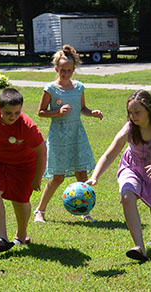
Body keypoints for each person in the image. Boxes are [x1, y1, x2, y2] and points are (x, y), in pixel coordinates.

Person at [86, 89, 151, 262]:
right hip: (131, 168)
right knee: (127, 196)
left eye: (137, 112)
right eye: (130, 112)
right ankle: (139, 248)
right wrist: (95, 176)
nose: (132, 116)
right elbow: (109, 154)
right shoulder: (129, 129)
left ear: (148, 110)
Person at [33, 45, 103, 223]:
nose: (65, 74)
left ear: (74, 70)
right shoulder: (50, 89)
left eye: (69, 71)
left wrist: (92, 112)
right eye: (62, 70)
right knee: (58, 177)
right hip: (58, 136)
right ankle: (40, 211)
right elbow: (40, 112)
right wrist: (57, 112)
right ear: (56, 69)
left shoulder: (79, 87)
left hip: (77, 135)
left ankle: (85, 211)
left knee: (82, 175)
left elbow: (82, 109)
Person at [0, 88, 47, 253]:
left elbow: (41, 151)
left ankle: (21, 236)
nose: (13, 117)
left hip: (23, 164)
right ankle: (2, 238)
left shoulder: (27, 126)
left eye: (17, 112)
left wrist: (37, 178)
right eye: (8, 112)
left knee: (20, 200)